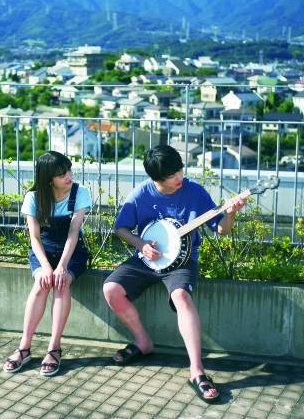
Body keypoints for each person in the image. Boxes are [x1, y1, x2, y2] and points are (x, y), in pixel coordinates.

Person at [103, 145, 245, 403]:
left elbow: (221, 229)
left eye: (179, 169)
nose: (179, 177)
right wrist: (141, 245)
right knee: (111, 289)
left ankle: (197, 371)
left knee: (181, 296)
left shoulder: (194, 192)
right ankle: (143, 342)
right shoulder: (141, 194)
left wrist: (231, 213)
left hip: (182, 261)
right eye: (171, 175)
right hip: (147, 259)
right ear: (156, 178)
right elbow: (121, 228)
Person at [2, 151, 91, 377]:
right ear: (49, 178)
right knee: (41, 283)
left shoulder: (80, 193)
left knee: (62, 283)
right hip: (43, 250)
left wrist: (61, 266)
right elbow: (34, 238)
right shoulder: (33, 198)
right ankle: (24, 347)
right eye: (62, 174)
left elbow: (73, 232)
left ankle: (54, 348)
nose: (68, 176)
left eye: (69, 171)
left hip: (72, 252)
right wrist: (45, 267)